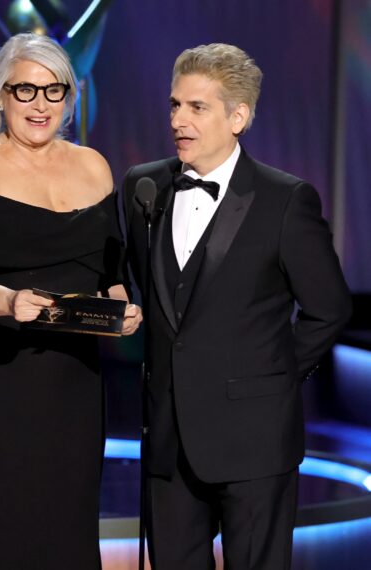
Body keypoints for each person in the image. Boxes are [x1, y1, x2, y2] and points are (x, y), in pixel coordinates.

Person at [123, 43, 351, 570]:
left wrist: (270, 376)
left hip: (254, 442)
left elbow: (328, 308)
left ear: (238, 117)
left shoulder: (285, 200)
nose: (178, 120)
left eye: (197, 108)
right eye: (174, 104)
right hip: (168, 441)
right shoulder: (143, 186)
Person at [0, 32, 142, 570]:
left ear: (70, 99)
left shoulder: (95, 166)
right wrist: (7, 300)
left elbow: (111, 273)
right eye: (26, 90)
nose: (41, 104)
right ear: (0, 95)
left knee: (64, 538)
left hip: (73, 387)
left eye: (55, 91)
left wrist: (122, 311)